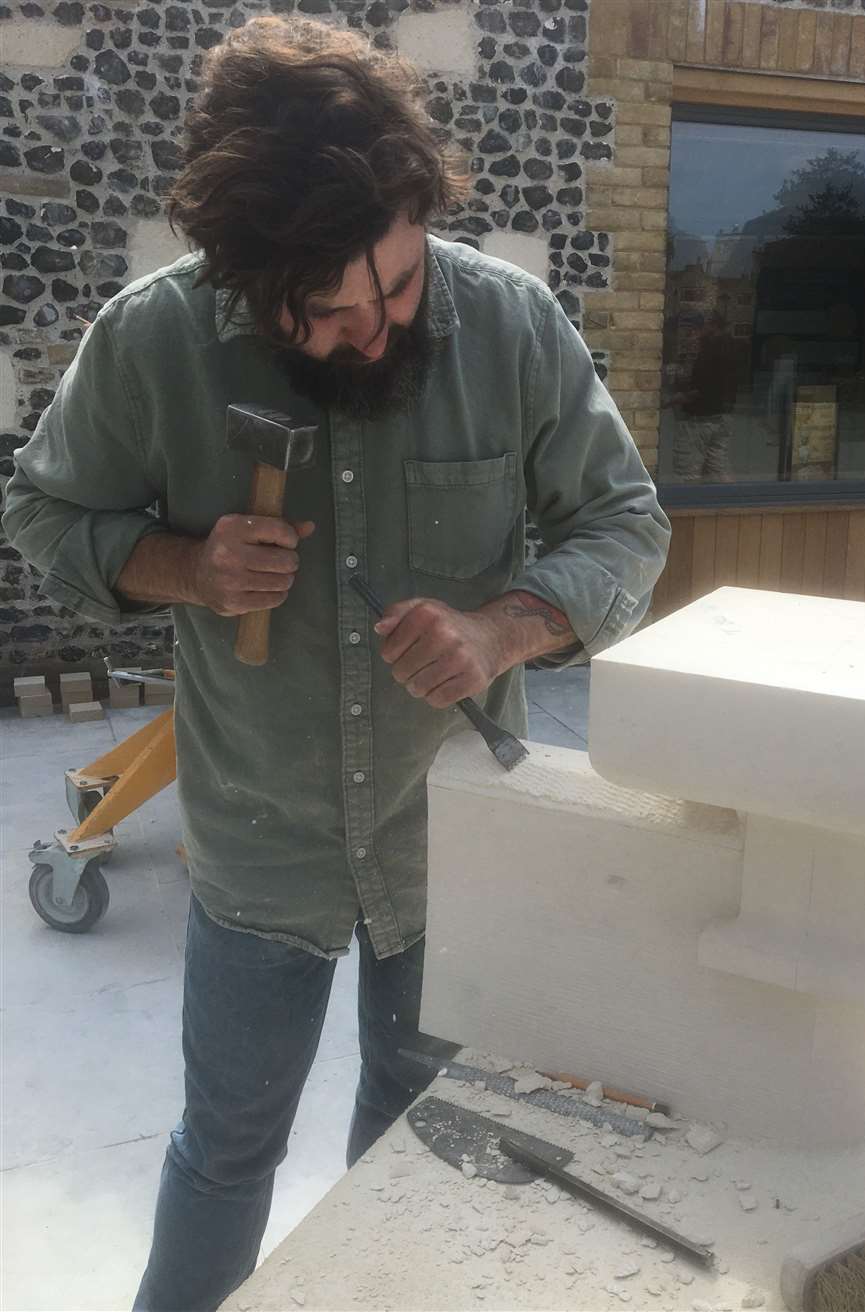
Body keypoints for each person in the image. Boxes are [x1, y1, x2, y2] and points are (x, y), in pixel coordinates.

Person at [2, 17, 670, 1311]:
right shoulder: (155, 342)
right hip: (261, 841)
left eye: (401, 288)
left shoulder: (512, 325)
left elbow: (626, 525)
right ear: (250, 283)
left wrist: (508, 626)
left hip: (446, 839)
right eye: (328, 314)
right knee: (226, 1151)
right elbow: (41, 511)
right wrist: (184, 568)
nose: (377, 329)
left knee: (420, 1149)